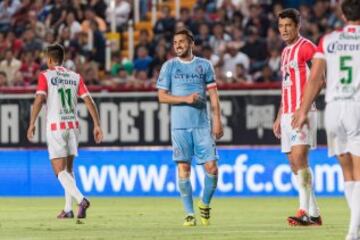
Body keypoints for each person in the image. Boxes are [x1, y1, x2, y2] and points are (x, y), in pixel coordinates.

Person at [292, 1, 360, 239]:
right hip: (357, 106)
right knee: (359, 171)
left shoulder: (329, 40)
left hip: (333, 109)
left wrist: (302, 111)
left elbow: (314, 79)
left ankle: (355, 228)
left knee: (347, 172)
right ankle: (353, 231)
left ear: (342, 14)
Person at [27, 43, 103, 219]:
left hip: (56, 127)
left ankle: (81, 199)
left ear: (50, 59)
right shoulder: (75, 76)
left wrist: (32, 122)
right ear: (62, 59)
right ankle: (68, 210)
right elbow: (89, 100)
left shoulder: (46, 75)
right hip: (73, 127)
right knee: (69, 169)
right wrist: (97, 124)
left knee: (59, 171)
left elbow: (39, 99)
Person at [156, 28, 223, 226]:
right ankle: (189, 214)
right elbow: (161, 96)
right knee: (184, 168)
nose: (178, 45)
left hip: (202, 125)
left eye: (182, 41)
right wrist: (186, 98)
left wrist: (217, 119)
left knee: (212, 168)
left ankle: (204, 204)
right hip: (180, 127)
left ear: (191, 43)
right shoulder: (169, 66)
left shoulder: (204, 65)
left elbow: (213, 95)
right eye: (175, 42)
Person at [272, 8, 322, 226]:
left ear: (297, 26)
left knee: (300, 158)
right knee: (294, 164)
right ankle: (315, 214)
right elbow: (286, 86)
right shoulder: (284, 52)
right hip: (287, 114)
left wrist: (303, 110)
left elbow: (320, 80)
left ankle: (303, 211)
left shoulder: (307, 48)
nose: (284, 30)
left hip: (304, 113)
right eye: (281, 26)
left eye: (288, 26)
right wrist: (279, 115)